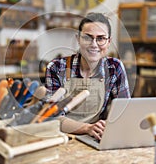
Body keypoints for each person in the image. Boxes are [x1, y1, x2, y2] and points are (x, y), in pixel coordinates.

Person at [45, 12, 131, 140]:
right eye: (87, 37)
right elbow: (52, 117)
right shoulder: (57, 68)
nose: (94, 44)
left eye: (101, 38)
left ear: (108, 42)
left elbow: (124, 112)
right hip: (61, 138)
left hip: (95, 137)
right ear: (78, 39)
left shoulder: (114, 68)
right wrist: (87, 128)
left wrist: (107, 126)